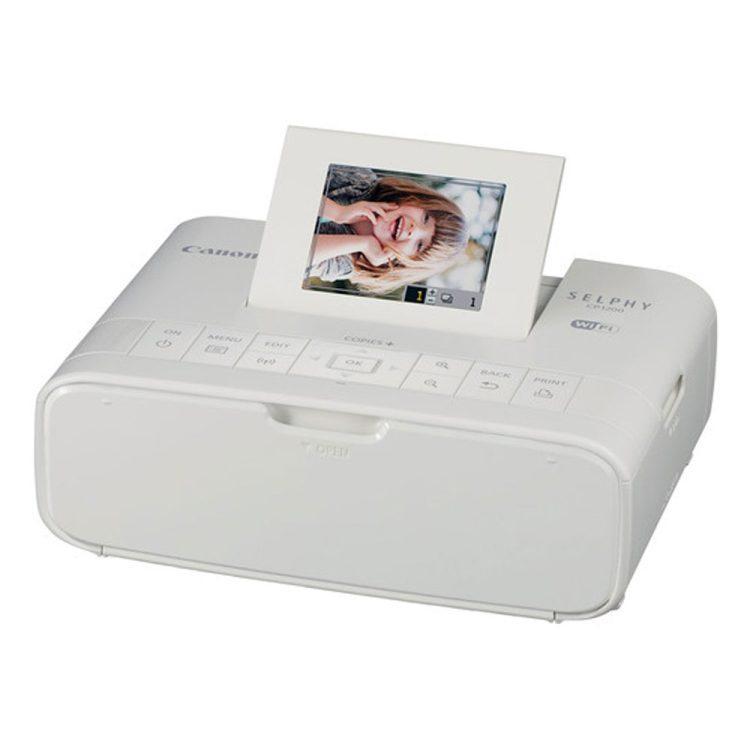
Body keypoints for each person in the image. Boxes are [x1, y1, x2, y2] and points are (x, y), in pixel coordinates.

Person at [305, 165, 468, 295]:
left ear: (405, 261)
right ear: (416, 200)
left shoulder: (352, 262)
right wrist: (337, 212)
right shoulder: (361, 183)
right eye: (425, 218)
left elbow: (297, 255)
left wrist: (363, 243)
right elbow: (297, 179)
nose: (414, 230)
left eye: (419, 245)